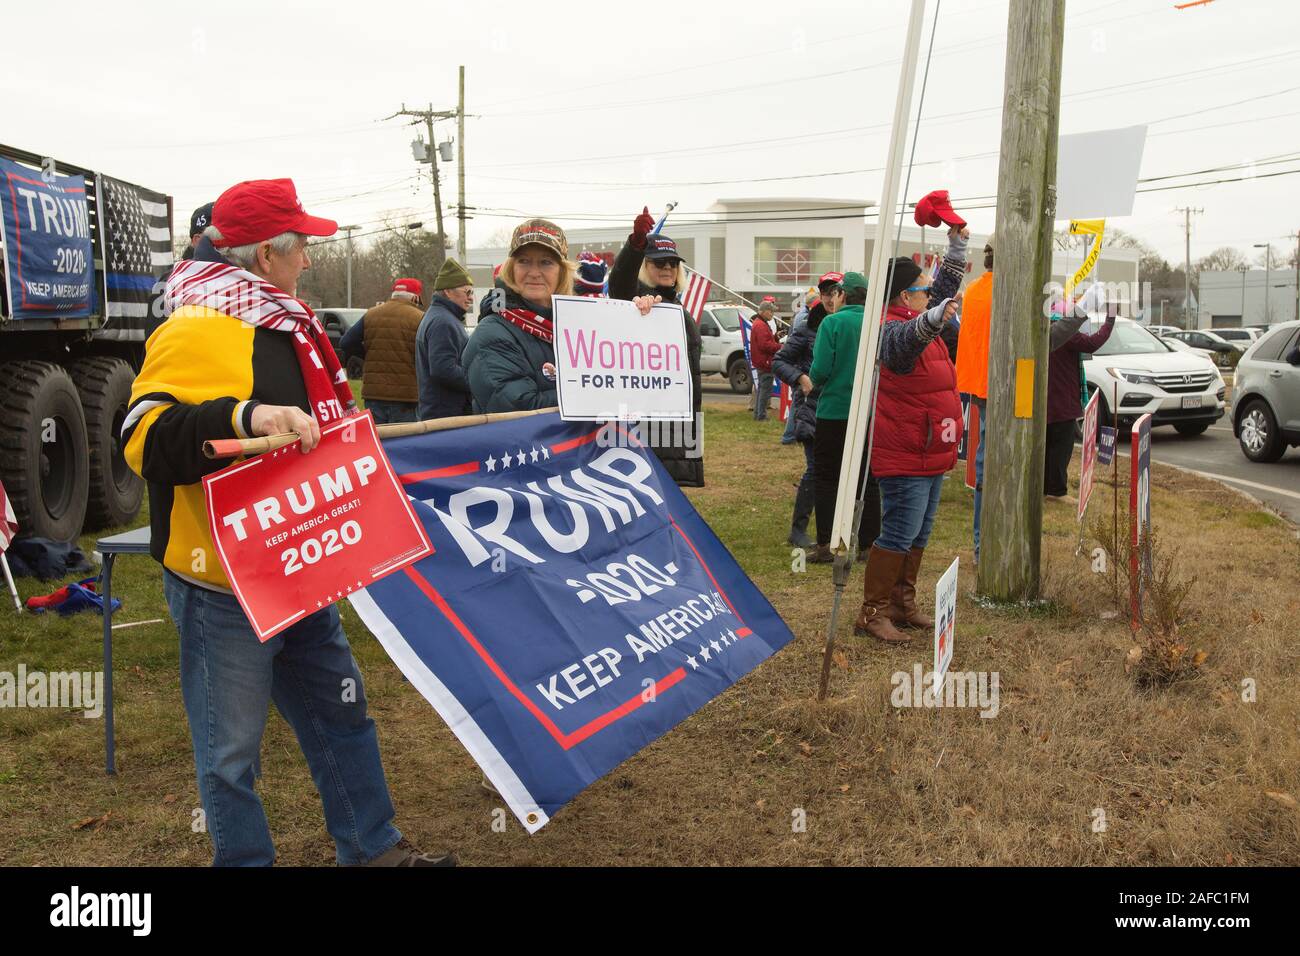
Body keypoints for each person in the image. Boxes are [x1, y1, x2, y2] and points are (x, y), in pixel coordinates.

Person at [122, 178, 452, 867]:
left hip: (301, 564)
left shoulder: (284, 321)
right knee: (230, 755)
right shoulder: (200, 324)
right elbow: (143, 437)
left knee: (342, 714)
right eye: (300, 246)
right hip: (226, 584)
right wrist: (245, 418)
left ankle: (373, 850)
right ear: (267, 254)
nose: (308, 260)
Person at [853, 257, 963, 645]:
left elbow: (942, 303)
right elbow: (905, 343)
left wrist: (957, 247)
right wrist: (932, 318)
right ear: (904, 294)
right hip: (905, 452)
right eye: (924, 290)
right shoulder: (889, 329)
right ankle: (873, 612)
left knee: (919, 531)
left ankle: (901, 602)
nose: (932, 297)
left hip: (930, 450)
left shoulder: (924, 323)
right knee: (899, 532)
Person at [607, 207, 705, 487]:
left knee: (674, 496)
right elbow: (620, 284)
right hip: (649, 422)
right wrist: (635, 245)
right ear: (644, 267)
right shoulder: (636, 302)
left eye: (672, 264)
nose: (667, 268)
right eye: (658, 263)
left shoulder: (676, 306)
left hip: (683, 418)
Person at [807, 273, 881, 563]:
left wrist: (815, 378)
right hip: (867, 411)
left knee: (827, 478)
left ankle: (827, 543)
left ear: (843, 294)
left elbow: (820, 370)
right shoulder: (877, 324)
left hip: (834, 410)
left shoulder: (833, 322)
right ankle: (869, 544)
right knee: (867, 478)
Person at [1046, 285, 1114, 498]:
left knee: (1047, 449)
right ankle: (1056, 491)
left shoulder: (1042, 331)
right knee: (1060, 450)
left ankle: (1044, 488)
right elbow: (1094, 343)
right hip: (1062, 402)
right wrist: (1110, 320)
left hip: (1046, 403)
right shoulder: (1066, 335)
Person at [772, 293, 827, 547]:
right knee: (815, 469)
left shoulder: (850, 324)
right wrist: (801, 378)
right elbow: (780, 361)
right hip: (812, 410)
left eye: (835, 291)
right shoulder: (806, 330)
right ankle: (798, 530)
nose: (830, 297)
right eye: (825, 291)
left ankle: (832, 531)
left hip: (839, 408)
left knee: (835, 472)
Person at [339, 278, 425, 424]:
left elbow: (346, 342)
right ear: (415, 297)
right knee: (403, 443)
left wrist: (368, 354)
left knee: (378, 442)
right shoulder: (420, 318)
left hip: (373, 394)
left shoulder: (371, 314)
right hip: (406, 397)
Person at [955, 239, 994, 562]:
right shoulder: (1008, 291)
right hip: (1004, 387)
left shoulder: (975, 291)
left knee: (984, 460)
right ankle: (990, 543)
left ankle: (982, 544)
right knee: (1001, 463)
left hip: (980, 385)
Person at [415, 258, 475, 421]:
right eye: (467, 292)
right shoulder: (443, 322)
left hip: (439, 411)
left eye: (472, 292)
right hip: (447, 416)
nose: (471, 298)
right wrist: (477, 380)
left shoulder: (438, 316)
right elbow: (443, 369)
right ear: (448, 291)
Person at [750, 301, 779, 421]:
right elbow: (765, 345)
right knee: (765, 391)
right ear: (763, 311)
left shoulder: (760, 323)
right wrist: (780, 346)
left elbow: (765, 342)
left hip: (762, 361)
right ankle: (761, 416)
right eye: (770, 311)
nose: (772, 313)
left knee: (762, 389)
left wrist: (775, 337)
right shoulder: (761, 325)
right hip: (765, 361)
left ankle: (758, 414)